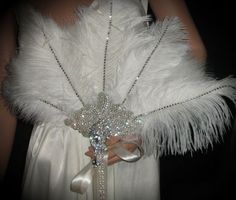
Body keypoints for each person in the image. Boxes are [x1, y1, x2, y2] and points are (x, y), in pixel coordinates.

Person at [0, 0, 235, 200]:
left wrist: (145, 125)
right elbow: (4, 95)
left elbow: (191, 48)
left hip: (125, 145)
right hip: (52, 154)